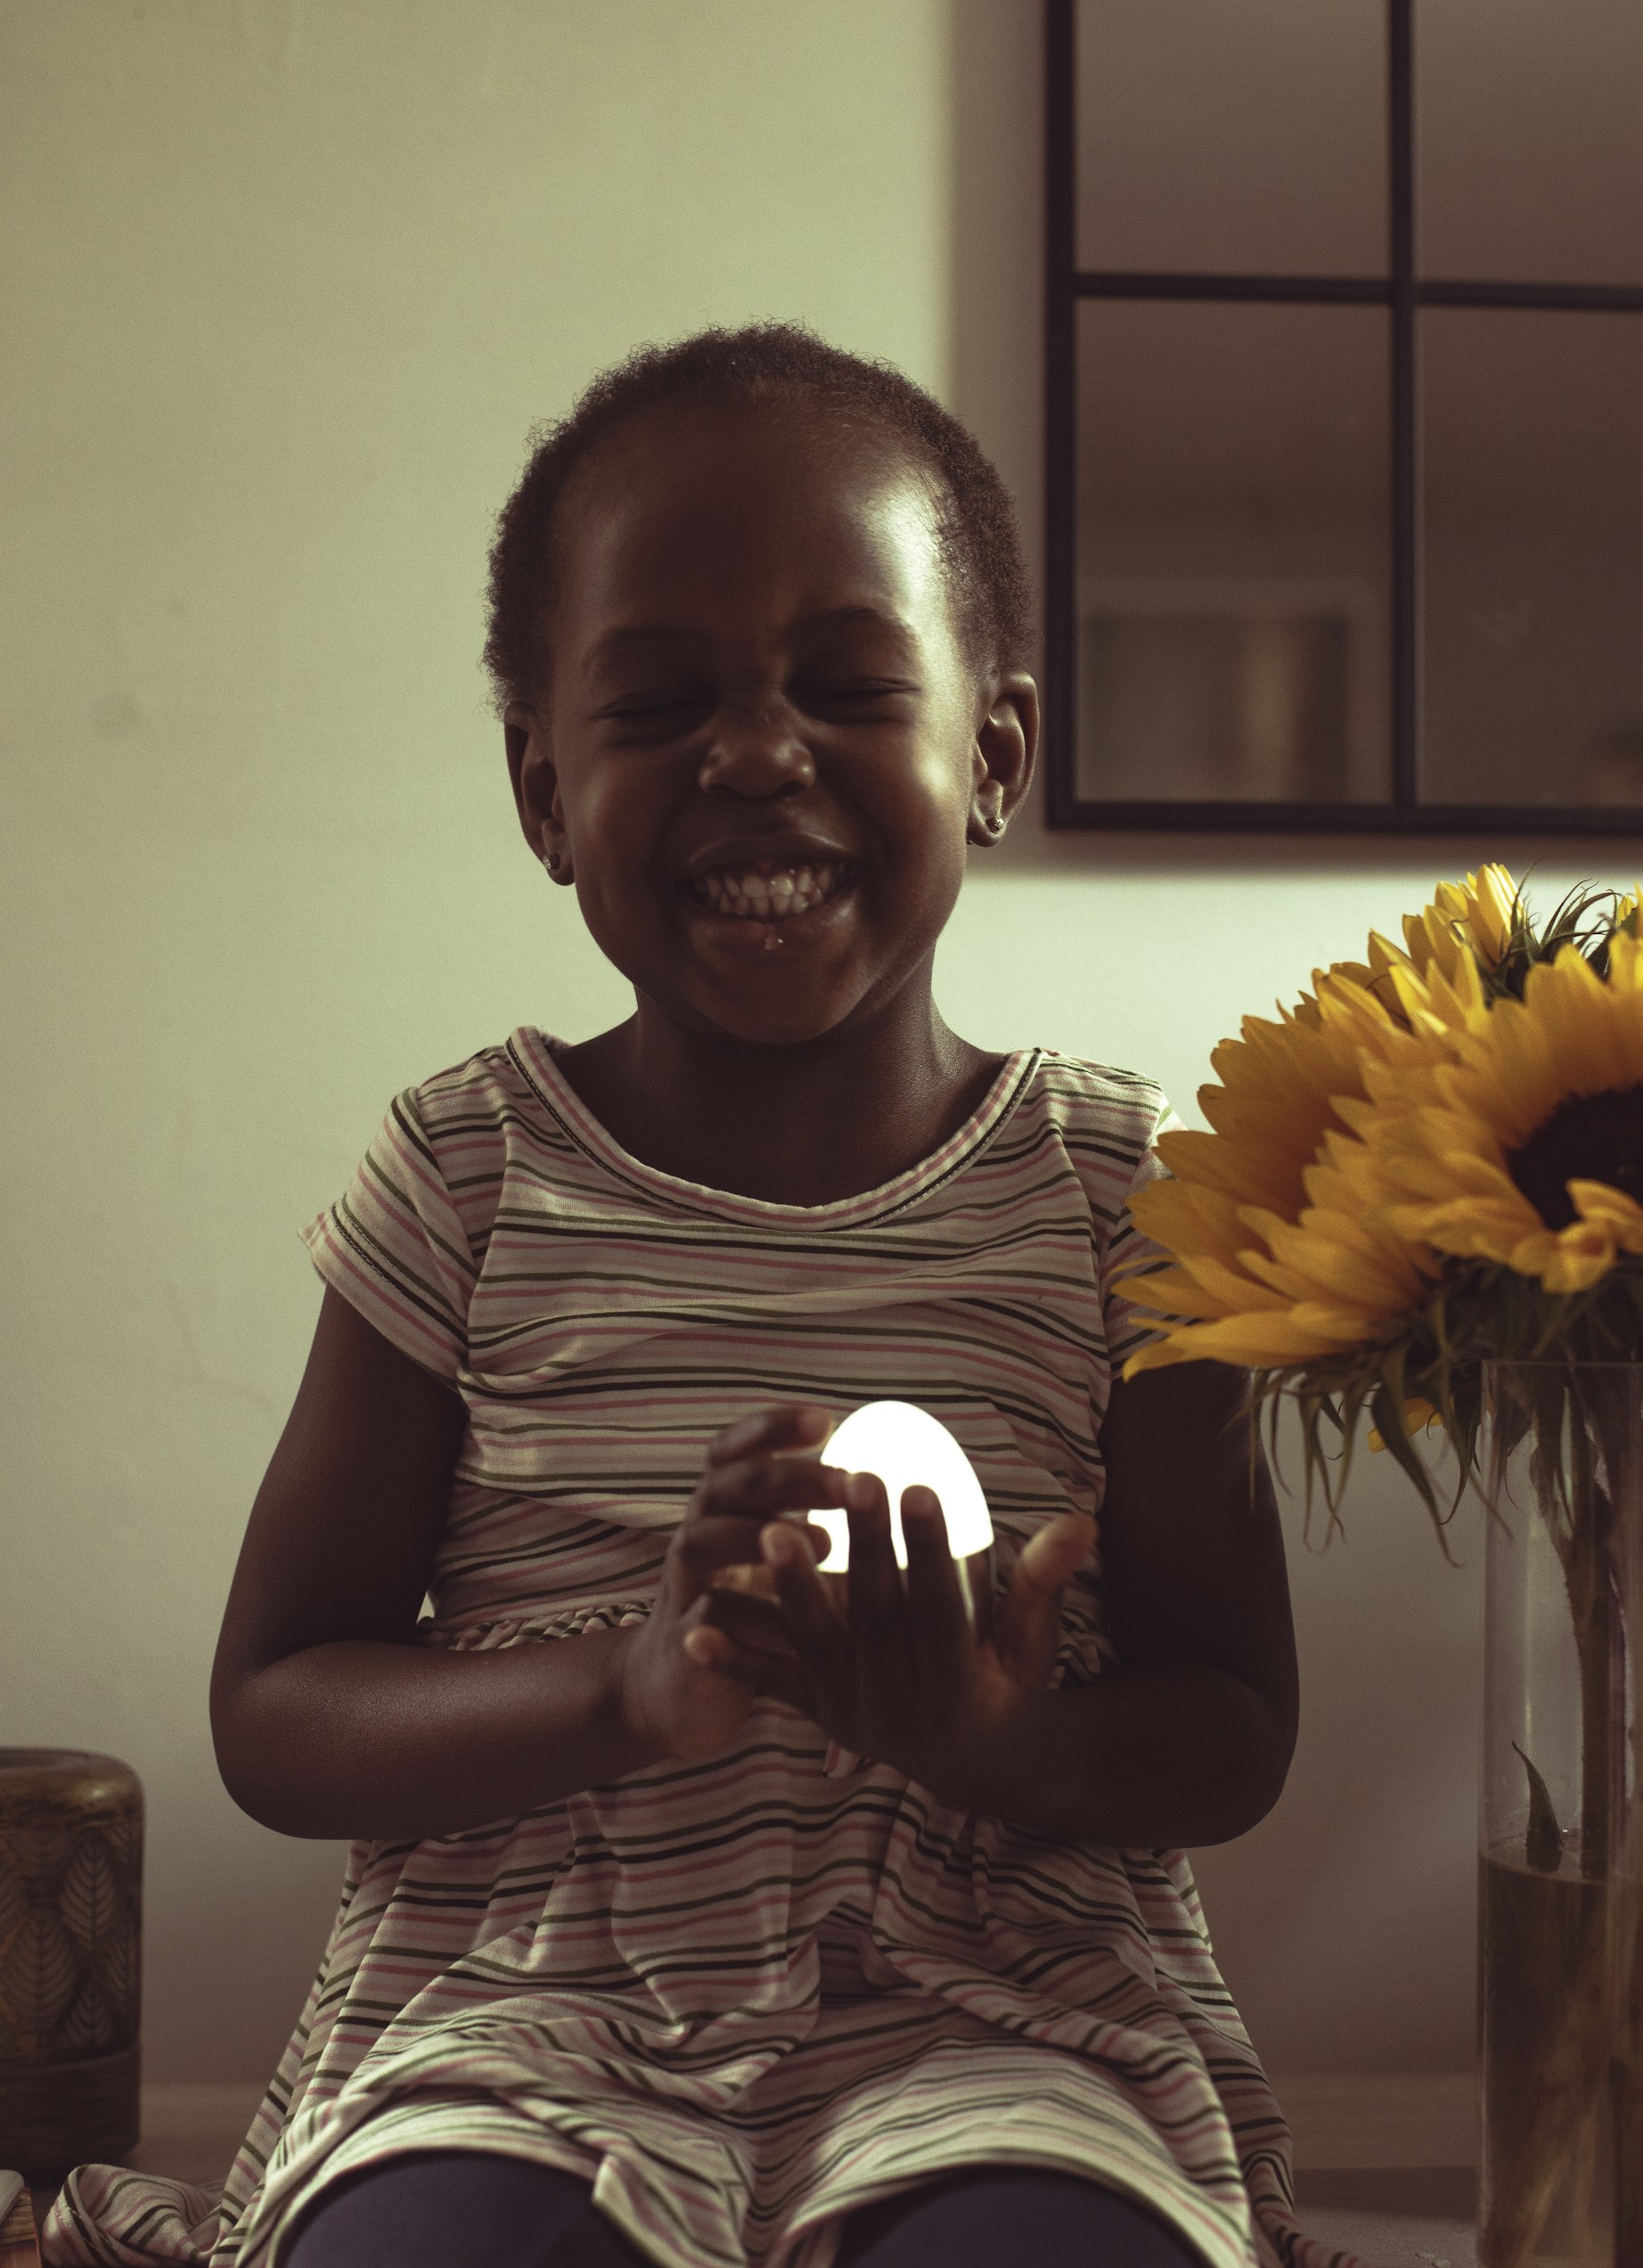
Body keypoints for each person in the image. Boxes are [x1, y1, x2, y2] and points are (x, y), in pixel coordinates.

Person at [44, 325, 1332, 2268]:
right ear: (545, 789)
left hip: (1007, 2020)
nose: (754, 751)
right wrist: (628, 1686)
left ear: (994, 755)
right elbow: (278, 1710)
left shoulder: (1126, 1197)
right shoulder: (467, 1175)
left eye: (847, 684)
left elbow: (1232, 1725)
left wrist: (984, 1732)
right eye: (658, 701)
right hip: (515, 2024)